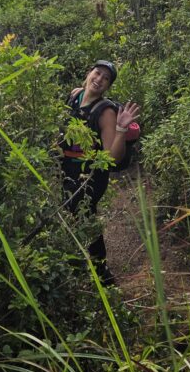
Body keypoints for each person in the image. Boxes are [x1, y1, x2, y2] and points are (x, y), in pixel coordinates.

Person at [59, 59, 140, 285]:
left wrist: (122, 129)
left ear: (108, 86)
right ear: (89, 73)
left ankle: (101, 274)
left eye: (106, 79)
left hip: (91, 176)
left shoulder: (105, 112)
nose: (99, 80)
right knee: (74, 214)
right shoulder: (74, 95)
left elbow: (112, 157)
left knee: (83, 216)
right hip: (67, 169)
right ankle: (80, 267)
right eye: (97, 73)